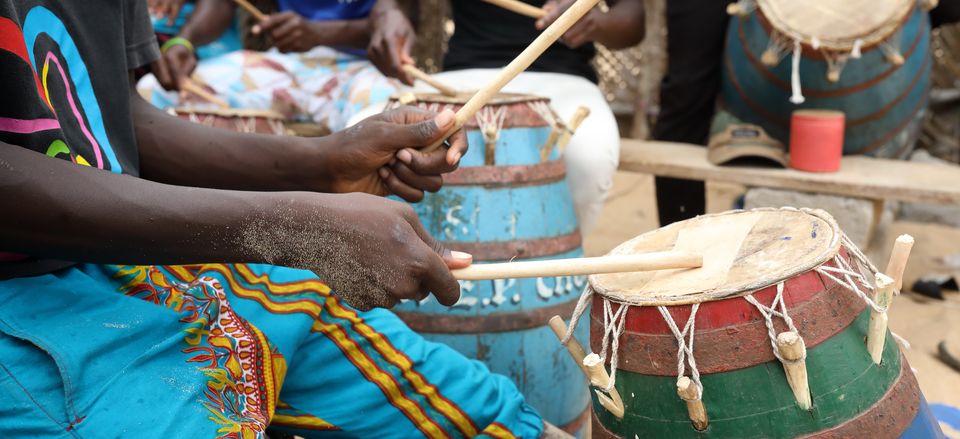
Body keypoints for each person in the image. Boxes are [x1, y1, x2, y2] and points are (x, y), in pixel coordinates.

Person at [0, 0, 553, 437]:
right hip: (18, 297)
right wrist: (291, 229)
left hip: (122, 253)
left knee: (481, 412)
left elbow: (119, 120)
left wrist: (326, 164)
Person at [357, 0, 645, 234]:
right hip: (462, 77)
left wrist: (595, 22)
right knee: (360, 134)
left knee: (588, 156)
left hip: (562, 78)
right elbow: (394, 5)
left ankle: (556, 264)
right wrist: (389, 13)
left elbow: (633, 18)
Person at [138, 0, 416, 133]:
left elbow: (395, 17)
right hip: (288, 67)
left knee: (382, 122)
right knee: (154, 92)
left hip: (361, 70)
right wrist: (183, 43)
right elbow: (223, 4)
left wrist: (320, 33)